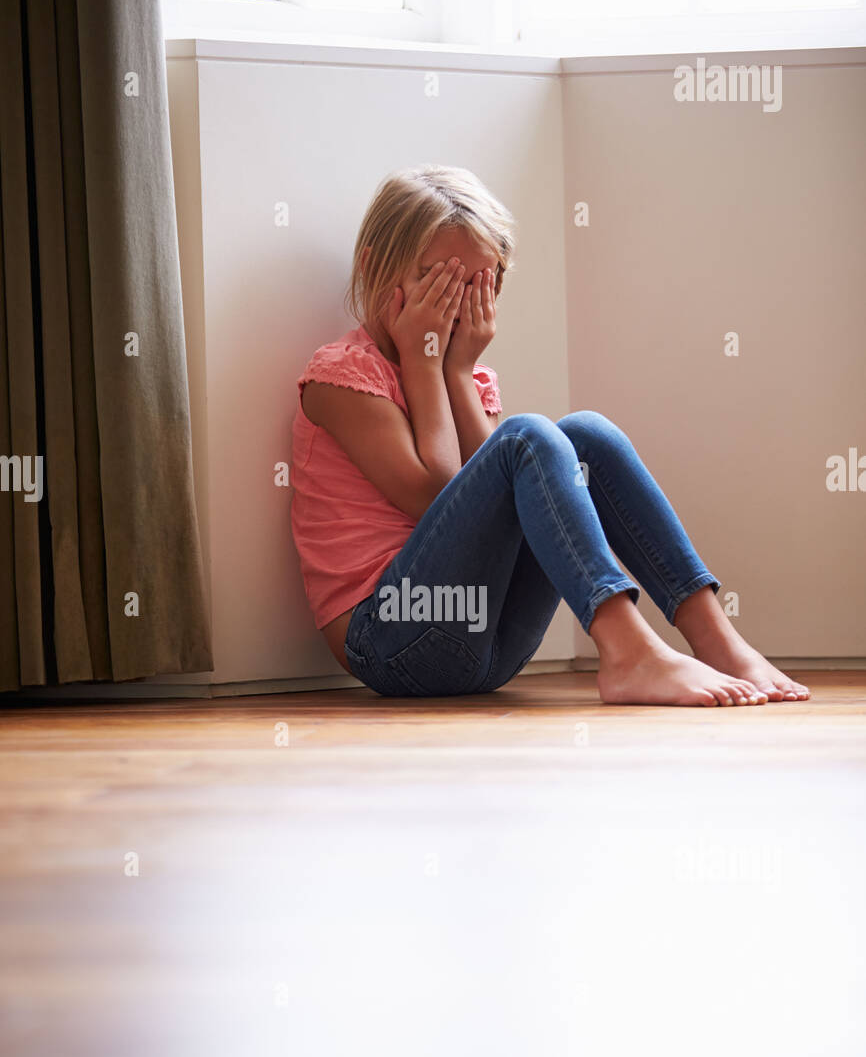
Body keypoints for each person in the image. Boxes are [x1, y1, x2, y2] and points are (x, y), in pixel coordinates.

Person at [290, 165, 809, 706]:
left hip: (492, 642)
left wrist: (458, 374)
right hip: (394, 634)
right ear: (374, 267)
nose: (452, 309)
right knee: (525, 438)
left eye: (473, 287)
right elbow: (438, 502)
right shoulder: (344, 379)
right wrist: (427, 368)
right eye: (435, 279)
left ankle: (716, 640)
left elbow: (487, 504)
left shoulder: (467, 375)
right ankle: (629, 650)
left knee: (584, 434)